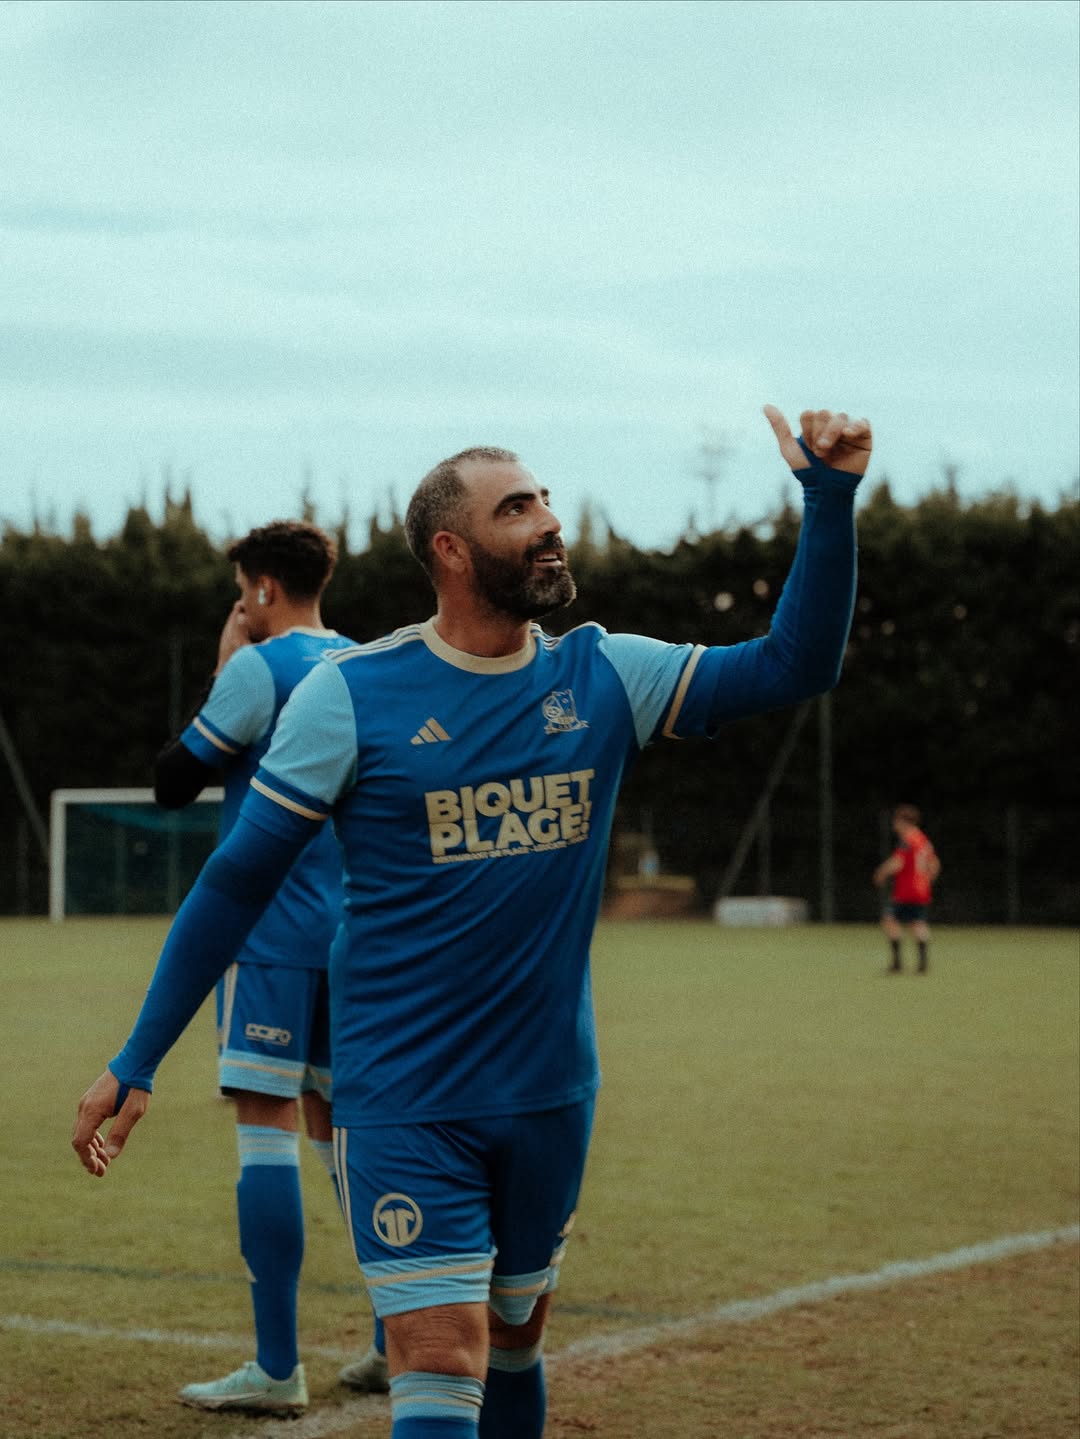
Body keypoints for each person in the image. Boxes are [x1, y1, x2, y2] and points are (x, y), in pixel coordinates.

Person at [73, 403, 871, 1439]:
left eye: (544, 500)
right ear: (451, 549)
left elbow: (795, 664)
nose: (549, 521)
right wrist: (136, 1058)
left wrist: (828, 496)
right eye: (516, 508)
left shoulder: (604, 673)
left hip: (549, 1092)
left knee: (516, 1340)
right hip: (404, 1095)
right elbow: (232, 885)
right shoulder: (349, 696)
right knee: (440, 1354)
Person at [151, 519, 387, 1414]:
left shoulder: (262, 666)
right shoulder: (363, 663)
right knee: (345, 1134)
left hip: (271, 934)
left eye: (240, 591)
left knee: (266, 1126)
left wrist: (224, 668)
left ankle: (277, 1366)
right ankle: (395, 1340)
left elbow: (175, 779)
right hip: (352, 934)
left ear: (262, 588)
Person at [873, 803, 940, 974]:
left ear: (904, 821)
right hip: (922, 890)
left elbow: (898, 863)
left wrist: (881, 872)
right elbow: (935, 864)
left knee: (889, 920)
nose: (894, 825)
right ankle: (922, 963)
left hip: (906, 890)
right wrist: (926, 881)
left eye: (896, 821)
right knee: (918, 922)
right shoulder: (923, 840)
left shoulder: (907, 840)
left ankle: (897, 963)